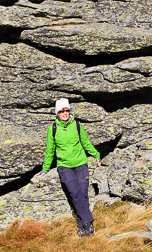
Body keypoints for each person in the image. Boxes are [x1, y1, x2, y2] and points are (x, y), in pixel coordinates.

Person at [35, 98, 102, 237]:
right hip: (64, 166)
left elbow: (85, 142)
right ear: (57, 113)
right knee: (75, 193)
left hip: (81, 164)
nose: (65, 113)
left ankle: (82, 226)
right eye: (61, 111)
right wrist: (45, 169)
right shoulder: (52, 129)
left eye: (67, 110)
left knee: (83, 194)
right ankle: (88, 221)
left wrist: (96, 155)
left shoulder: (77, 125)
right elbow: (50, 150)